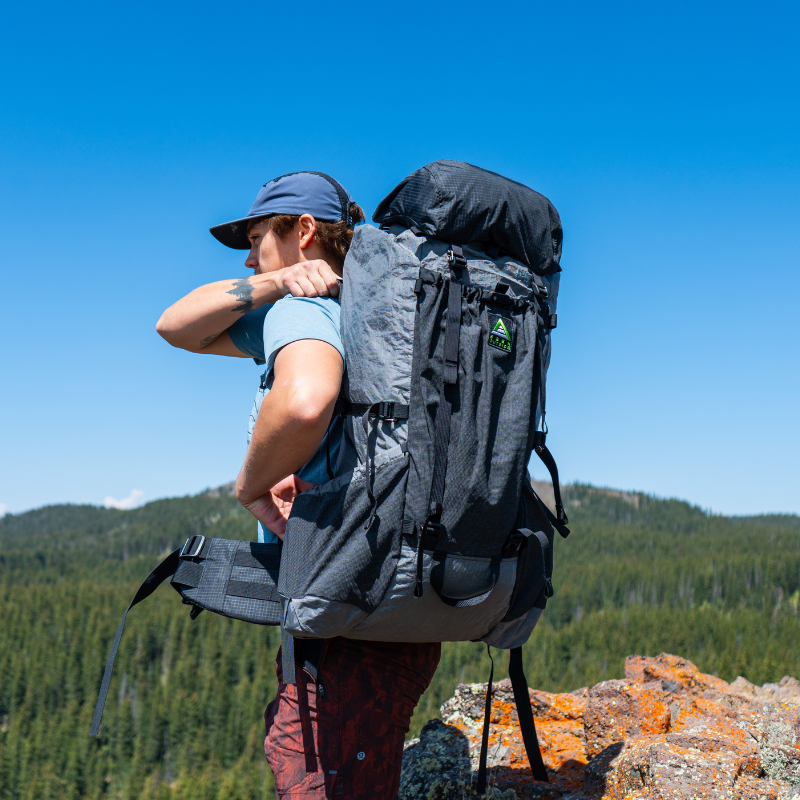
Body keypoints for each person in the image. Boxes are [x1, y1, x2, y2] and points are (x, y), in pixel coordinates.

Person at [156, 171, 440, 799]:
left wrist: (250, 484)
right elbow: (178, 326)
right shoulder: (391, 314)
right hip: (407, 592)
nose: (251, 256)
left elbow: (307, 400)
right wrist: (275, 279)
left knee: (317, 775)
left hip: (340, 602)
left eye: (259, 238)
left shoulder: (303, 313)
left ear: (303, 229)